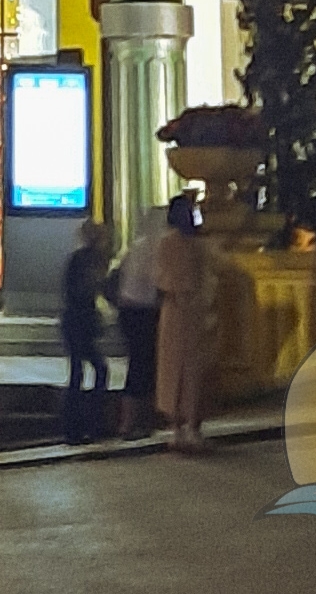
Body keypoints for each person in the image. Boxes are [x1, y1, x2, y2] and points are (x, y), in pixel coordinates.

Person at [154, 192, 210, 453]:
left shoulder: (168, 243)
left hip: (175, 309)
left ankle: (177, 427)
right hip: (191, 310)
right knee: (191, 368)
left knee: (174, 367)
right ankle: (190, 426)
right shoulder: (198, 245)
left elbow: (160, 276)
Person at [60, 219, 113, 444]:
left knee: (78, 372)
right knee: (92, 371)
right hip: (80, 321)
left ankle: (77, 427)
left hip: (75, 320)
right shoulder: (89, 260)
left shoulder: (79, 259)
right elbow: (87, 289)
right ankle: (87, 424)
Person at [112, 208, 163, 436]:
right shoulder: (156, 248)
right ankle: (136, 421)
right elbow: (157, 280)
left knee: (139, 365)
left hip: (128, 310)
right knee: (144, 366)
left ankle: (132, 421)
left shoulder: (136, 246)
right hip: (144, 311)